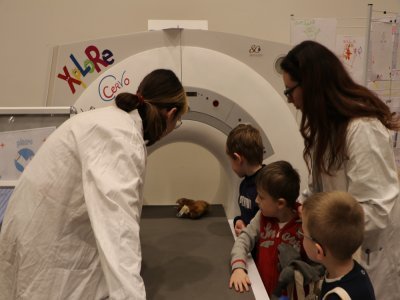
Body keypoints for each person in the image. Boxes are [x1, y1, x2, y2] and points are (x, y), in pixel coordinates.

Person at [0, 69, 188, 300]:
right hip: (45, 249)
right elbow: (118, 228)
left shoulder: (110, 121)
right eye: (177, 122)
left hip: (34, 230)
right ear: (170, 114)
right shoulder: (121, 137)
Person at [280, 40, 400, 300]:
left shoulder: (362, 130)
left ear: (311, 85)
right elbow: (319, 189)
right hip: (339, 256)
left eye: (290, 91)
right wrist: (297, 206)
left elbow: (377, 211)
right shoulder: (325, 128)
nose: (289, 100)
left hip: (368, 256)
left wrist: (320, 226)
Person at [229, 160, 303, 296]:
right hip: (262, 292)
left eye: (261, 197)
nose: (256, 200)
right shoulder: (262, 217)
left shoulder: (304, 225)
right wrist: (238, 267)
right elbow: (243, 240)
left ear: (280, 203)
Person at [301, 191, 375, 299]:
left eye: (303, 233)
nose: (302, 236)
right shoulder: (357, 271)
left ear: (319, 251)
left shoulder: (337, 296)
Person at [226, 124, 264, 237]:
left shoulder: (266, 185)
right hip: (248, 242)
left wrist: (248, 232)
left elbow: (270, 225)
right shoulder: (245, 184)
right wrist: (238, 220)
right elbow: (247, 215)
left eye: (230, 160)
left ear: (237, 159)